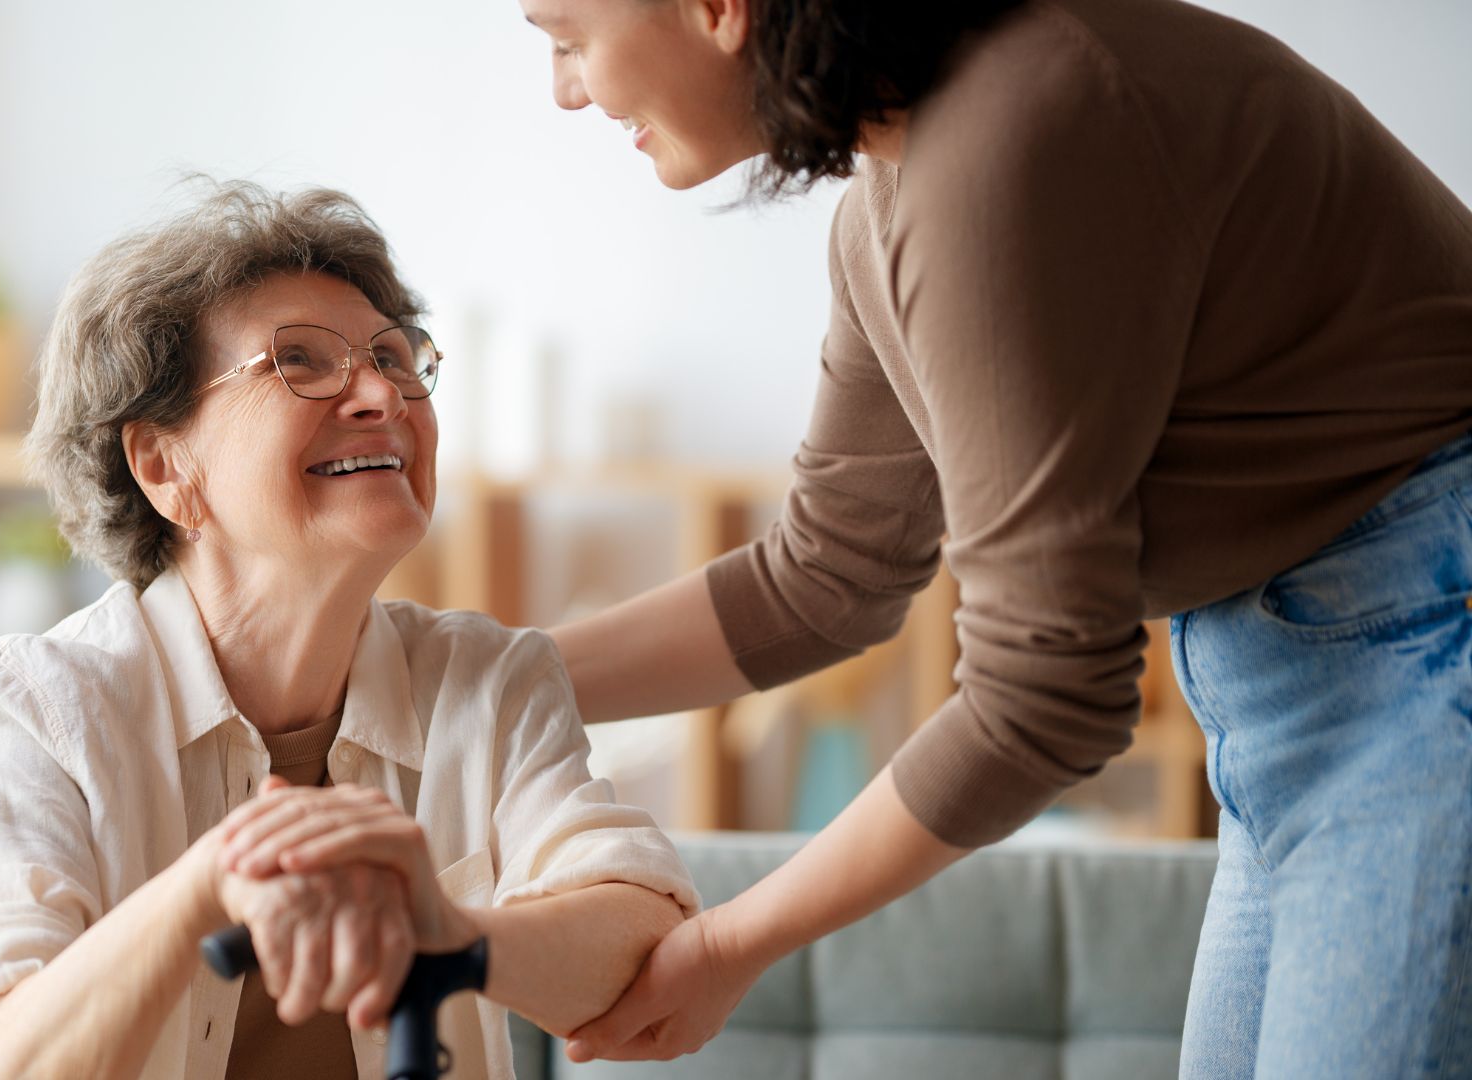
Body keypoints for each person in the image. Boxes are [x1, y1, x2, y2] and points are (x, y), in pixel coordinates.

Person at [518, 0, 1472, 1076]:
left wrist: (731, 944)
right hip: (1299, 697)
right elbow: (826, 576)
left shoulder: (1006, 142)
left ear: (715, 8)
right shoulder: (894, 198)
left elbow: (1044, 693)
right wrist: (483, 676)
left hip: (1427, 649)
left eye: (568, 38)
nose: (566, 90)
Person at [0, 182, 696, 1080]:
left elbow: (647, 942)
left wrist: (450, 935)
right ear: (165, 466)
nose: (381, 394)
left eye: (394, 357)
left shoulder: (490, 680)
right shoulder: (42, 707)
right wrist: (211, 884)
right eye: (299, 360)